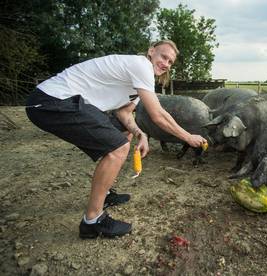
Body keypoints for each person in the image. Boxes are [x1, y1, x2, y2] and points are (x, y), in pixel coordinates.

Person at [25, 40, 207, 239]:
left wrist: (140, 134)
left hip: (63, 103)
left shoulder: (138, 83)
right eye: (164, 57)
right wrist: (188, 137)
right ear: (151, 51)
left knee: (124, 133)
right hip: (51, 100)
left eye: (171, 62)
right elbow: (158, 115)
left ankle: (104, 194)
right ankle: (92, 221)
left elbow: (124, 115)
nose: (166, 64)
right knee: (118, 148)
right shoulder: (141, 65)